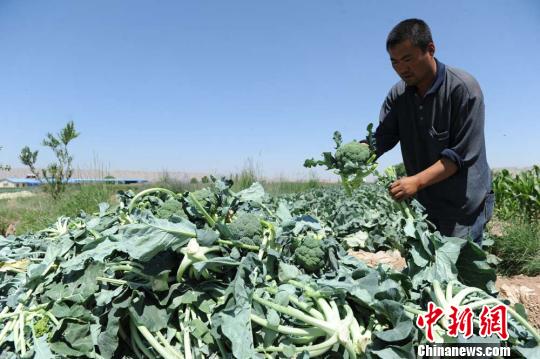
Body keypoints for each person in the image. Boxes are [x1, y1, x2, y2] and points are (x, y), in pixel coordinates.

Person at [373, 18, 494, 245]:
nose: (401, 69)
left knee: (460, 274)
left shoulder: (463, 88)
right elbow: (383, 137)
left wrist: (415, 182)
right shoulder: (398, 95)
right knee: (425, 275)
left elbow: (459, 156)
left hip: (464, 206)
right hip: (424, 204)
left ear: (430, 49)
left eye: (407, 59)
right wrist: (360, 152)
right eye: (394, 62)